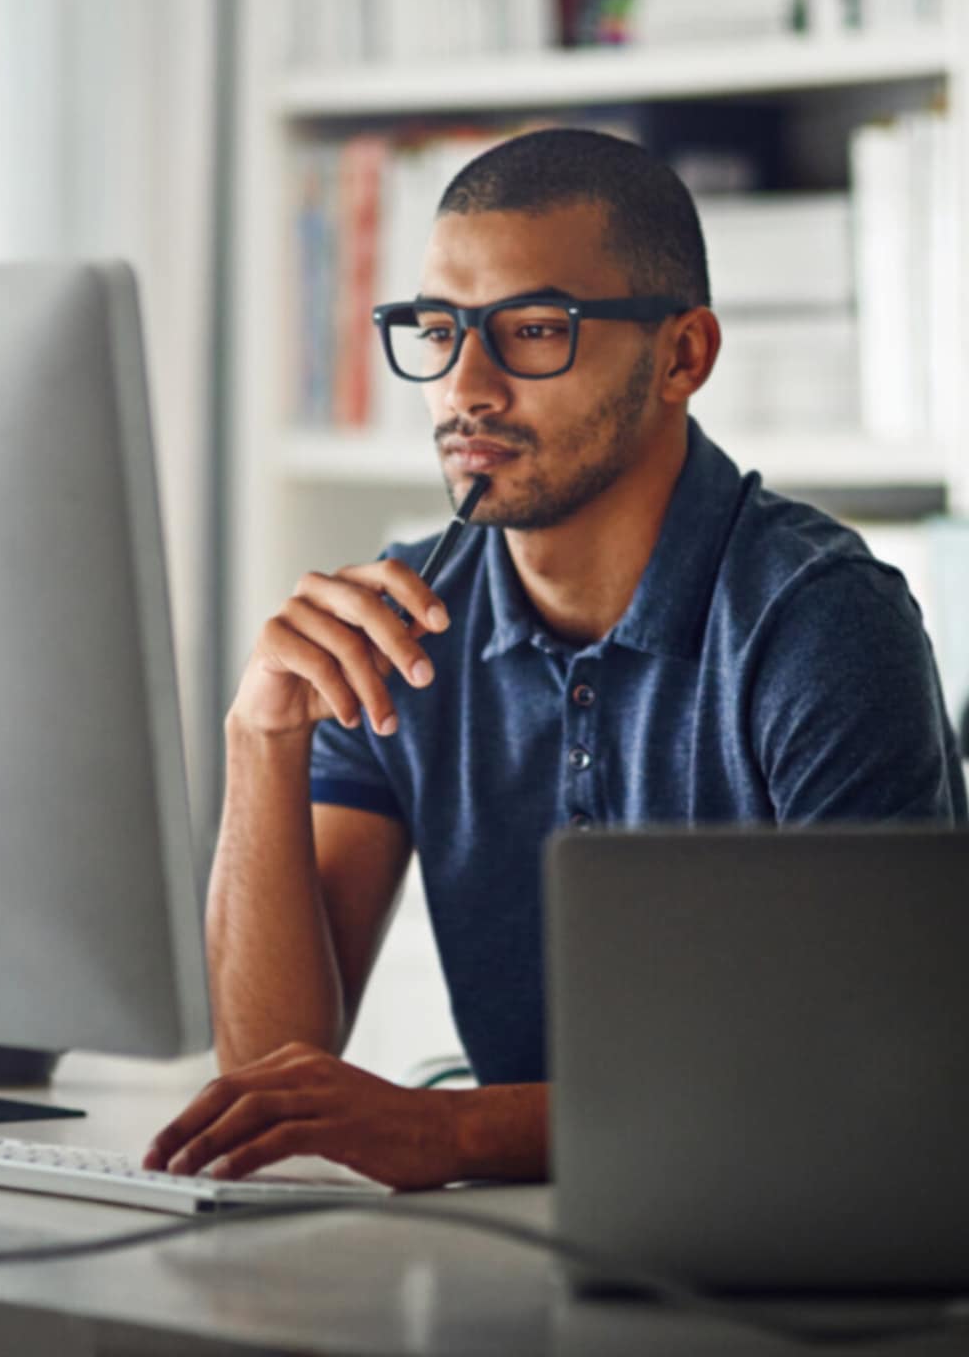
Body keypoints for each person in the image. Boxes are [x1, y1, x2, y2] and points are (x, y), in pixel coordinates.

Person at [143, 128, 967, 1190]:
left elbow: (870, 1078)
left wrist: (451, 1133)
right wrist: (259, 737)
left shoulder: (818, 623)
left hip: (767, 1249)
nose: (465, 386)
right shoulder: (400, 620)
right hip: (521, 1243)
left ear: (682, 355)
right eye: (437, 329)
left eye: (532, 329)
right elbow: (269, 1077)